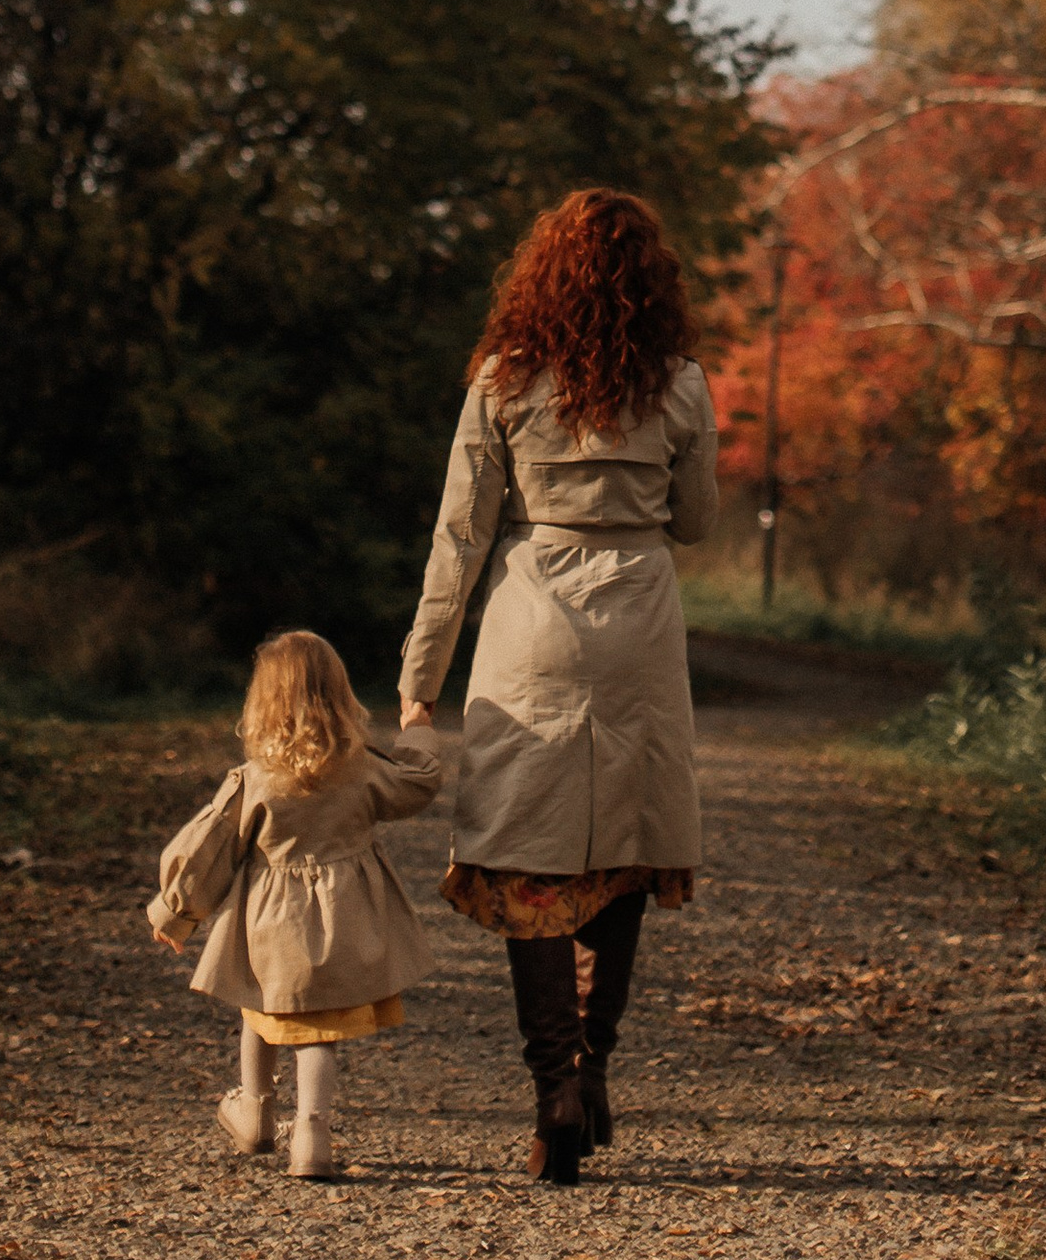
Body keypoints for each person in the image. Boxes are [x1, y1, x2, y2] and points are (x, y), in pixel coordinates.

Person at [399, 186, 719, 1183]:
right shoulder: (680, 385)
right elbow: (699, 523)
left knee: (529, 854)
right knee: (622, 847)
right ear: (651, 285)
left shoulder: (502, 380)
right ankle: (595, 1059)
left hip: (532, 615)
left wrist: (420, 682)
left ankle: (553, 1089)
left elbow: (460, 537)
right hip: (639, 623)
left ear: (541, 278)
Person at [147, 628, 443, 1182]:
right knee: (319, 1029)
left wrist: (176, 911)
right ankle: (312, 1130)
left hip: (270, 925)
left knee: (260, 1006)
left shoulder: (255, 780)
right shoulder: (362, 770)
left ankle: (256, 1113)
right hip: (347, 919)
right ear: (339, 696)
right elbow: (419, 783)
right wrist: (417, 730)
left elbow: (208, 848)